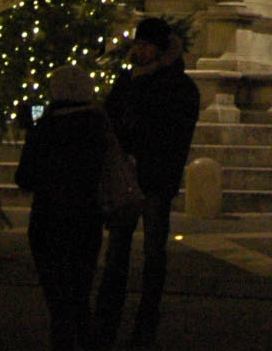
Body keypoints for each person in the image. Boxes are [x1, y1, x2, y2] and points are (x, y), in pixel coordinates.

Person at [93, 18, 200, 350]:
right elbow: (110, 121)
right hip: (126, 178)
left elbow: (173, 136)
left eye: (146, 45)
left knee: (153, 251)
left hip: (155, 180)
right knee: (117, 251)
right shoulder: (127, 82)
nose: (139, 50)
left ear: (160, 48)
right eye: (137, 44)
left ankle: (146, 319)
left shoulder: (178, 86)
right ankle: (106, 318)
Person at [15, 65, 112, 351]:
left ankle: (64, 339)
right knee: (80, 290)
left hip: (48, 218)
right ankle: (85, 337)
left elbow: (24, 177)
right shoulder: (98, 125)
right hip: (86, 217)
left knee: (57, 296)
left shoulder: (45, 127)